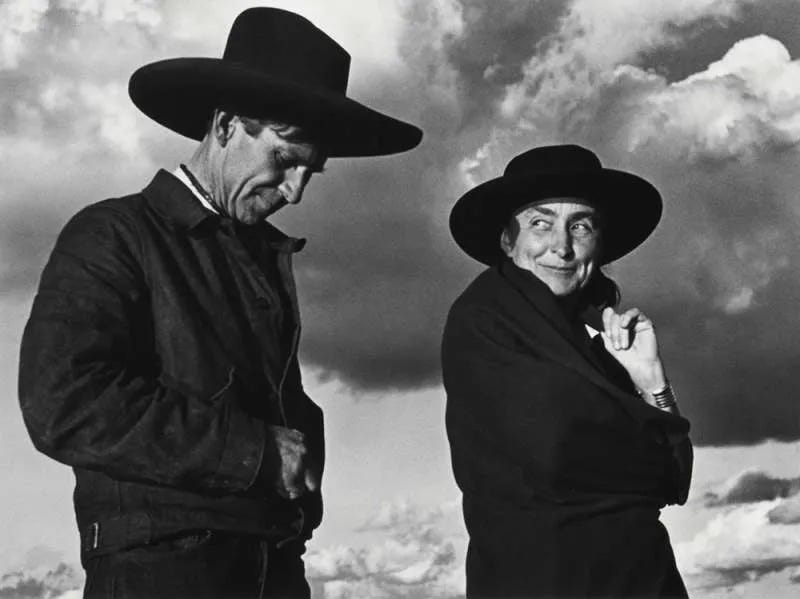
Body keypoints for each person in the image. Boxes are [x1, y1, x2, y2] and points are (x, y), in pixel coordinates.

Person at [18, 7, 421, 599]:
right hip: (162, 576)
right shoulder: (114, 234)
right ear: (227, 124)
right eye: (285, 159)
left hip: (275, 567)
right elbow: (64, 401)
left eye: (311, 172)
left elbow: (280, 408)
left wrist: (298, 495)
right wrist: (254, 452)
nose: (295, 192)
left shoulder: (261, 256)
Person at [442, 144, 693, 598]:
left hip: (646, 580)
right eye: (540, 224)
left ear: (600, 241)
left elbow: (676, 480)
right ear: (507, 240)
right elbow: (559, 455)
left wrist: (651, 381)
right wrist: (652, 449)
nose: (561, 247)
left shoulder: (599, 334)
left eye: (580, 226)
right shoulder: (485, 320)